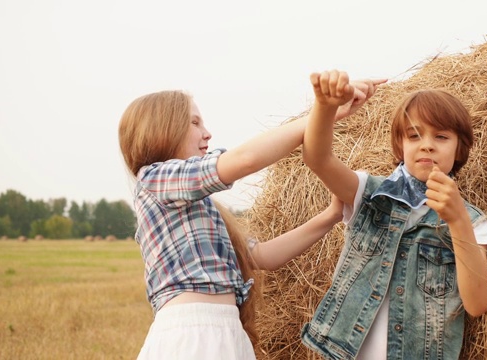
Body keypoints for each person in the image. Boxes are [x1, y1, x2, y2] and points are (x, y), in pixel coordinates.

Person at [117, 78, 382, 360]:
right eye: (194, 123)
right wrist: (322, 112)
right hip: (192, 334)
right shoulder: (155, 179)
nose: (207, 133)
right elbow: (244, 160)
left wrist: (330, 216)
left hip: (225, 331)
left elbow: (261, 256)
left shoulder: (201, 207)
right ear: (162, 128)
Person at [300, 70, 487, 360]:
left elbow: (478, 304)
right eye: (414, 135)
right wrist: (325, 107)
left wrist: (457, 221)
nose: (426, 144)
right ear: (400, 144)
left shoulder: (471, 219)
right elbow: (318, 158)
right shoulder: (369, 194)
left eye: (441, 136)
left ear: (459, 148)